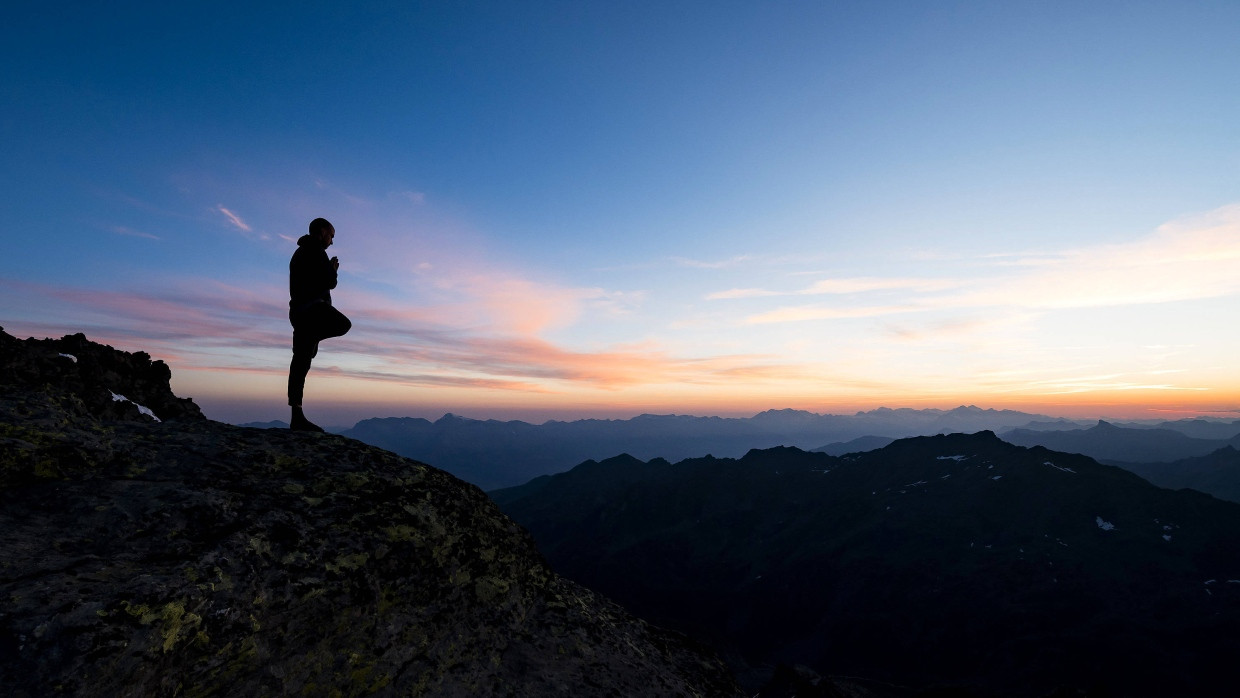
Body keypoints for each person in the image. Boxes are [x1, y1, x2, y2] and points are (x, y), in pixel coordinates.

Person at [287, 217, 351, 431]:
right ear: (322, 231)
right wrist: (332, 270)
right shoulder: (315, 251)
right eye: (331, 235)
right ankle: (297, 416)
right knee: (343, 324)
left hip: (299, 312)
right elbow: (329, 282)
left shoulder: (301, 252)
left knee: (301, 361)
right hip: (311, 310)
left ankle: (297, 415)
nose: (332, 241)